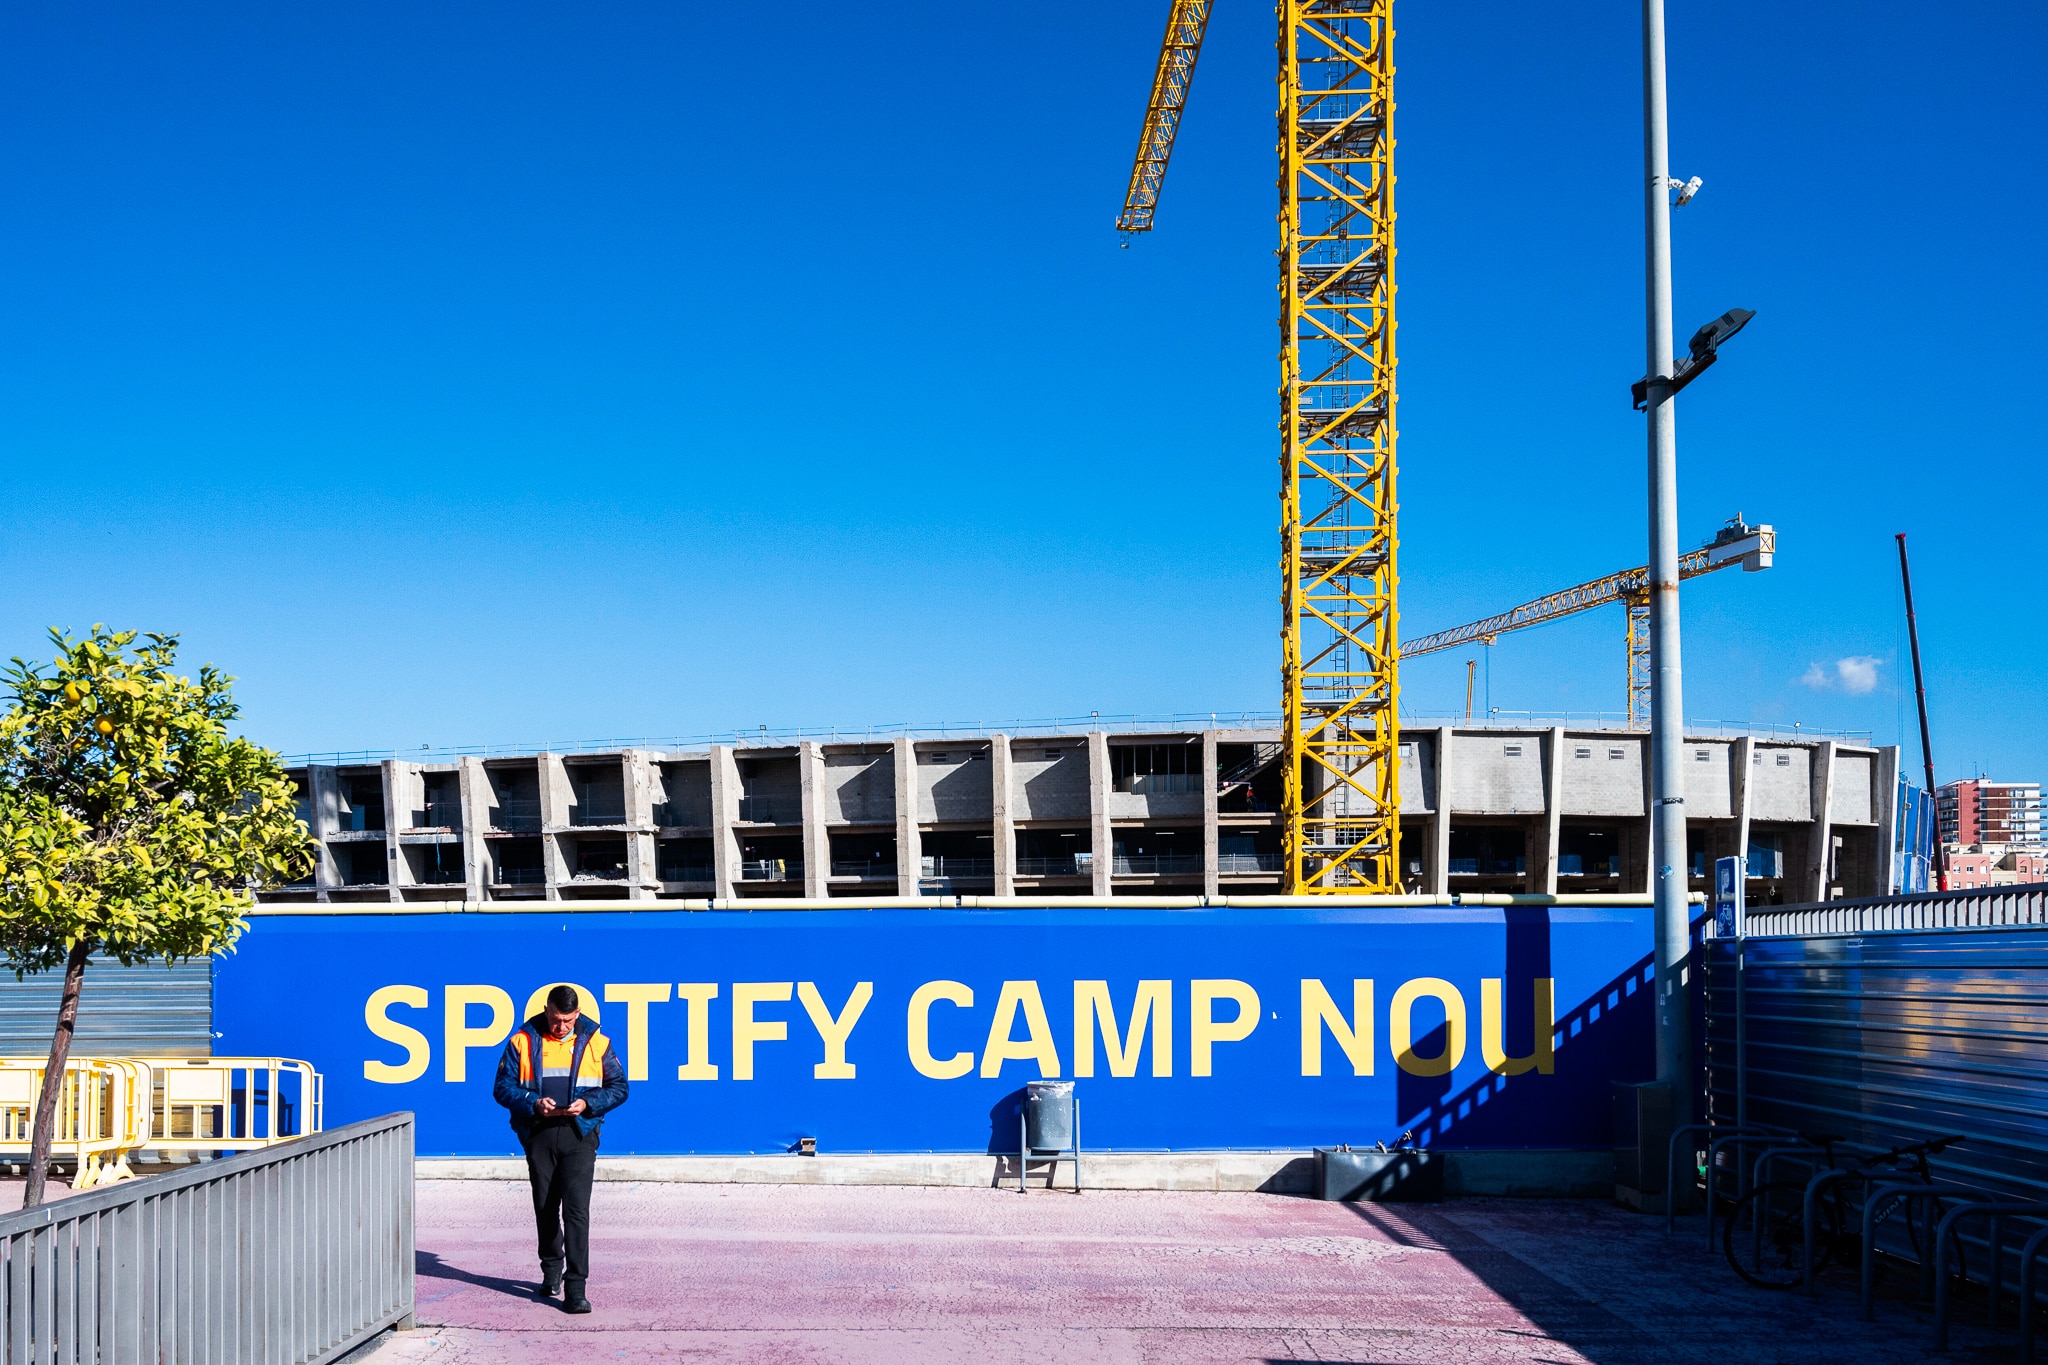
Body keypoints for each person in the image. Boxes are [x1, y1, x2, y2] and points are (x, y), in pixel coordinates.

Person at [493, 984, 629, 1313]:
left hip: (579, 1134)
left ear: (578, 1014)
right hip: (539, 1133)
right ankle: (551, 1268)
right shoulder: (522, 1041)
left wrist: (588, 1103)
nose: (561, 1026)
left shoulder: (598, 1042)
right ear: (546, 1010)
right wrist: (532, 1102)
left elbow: (619, 1088)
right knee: (545, 1206)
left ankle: (576, 1288)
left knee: (576, 1211)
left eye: (568, 1020)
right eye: (556, 1019)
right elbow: (502, 1088)